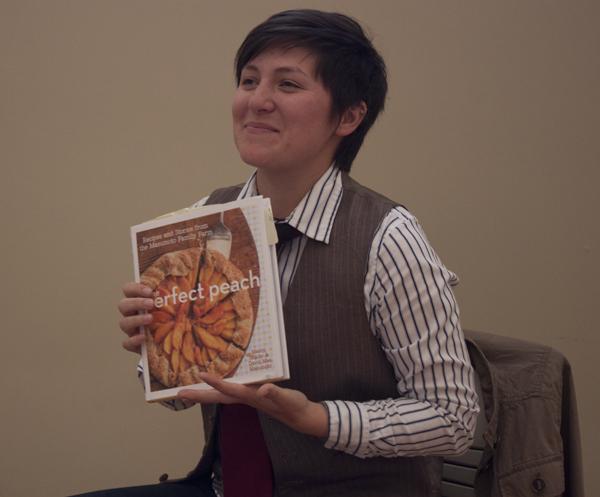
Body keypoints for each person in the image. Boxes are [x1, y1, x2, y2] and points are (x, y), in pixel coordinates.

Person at [99, 9, 478, 497]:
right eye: (249, 80)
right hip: (224, 486)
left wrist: (318, 419)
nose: (257, 101)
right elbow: (178, 398)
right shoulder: (202, 220)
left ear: (349, 115)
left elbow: (452, 418)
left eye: (288, 85)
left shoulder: (388, 237)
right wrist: (156, 348)